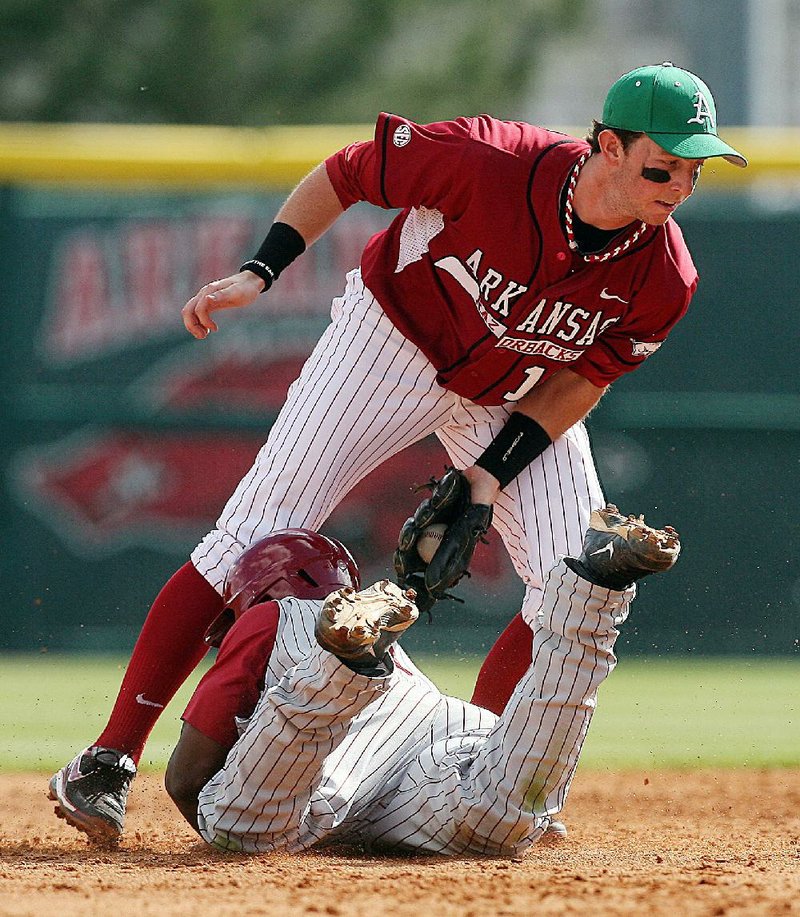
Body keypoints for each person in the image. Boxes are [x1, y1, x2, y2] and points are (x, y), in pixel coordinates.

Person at [48, 61, 744, 843]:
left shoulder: (665, 274)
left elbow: (580, 381)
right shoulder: (490, 158)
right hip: (392, 342)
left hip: (514, 388)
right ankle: (106, 759)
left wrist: (488, 475)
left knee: (578, 577)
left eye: (695, 168)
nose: (680, 185)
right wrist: (259, 271)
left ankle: (490, 768)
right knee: (244, 538)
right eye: (663, 165)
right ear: (607, 148)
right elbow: (347, 172)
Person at [166, 507, 680, 855]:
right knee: (499, 822)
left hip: (345, 756)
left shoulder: (270, 617)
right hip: (437, 728)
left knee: (237, 827)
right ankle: (597, 590)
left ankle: (344, 664)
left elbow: (185, 781)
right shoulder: (397, 652)